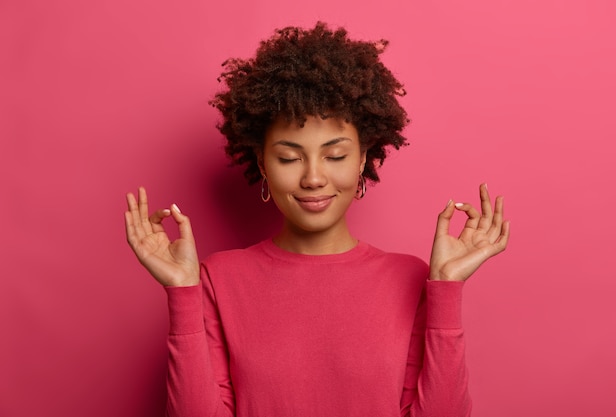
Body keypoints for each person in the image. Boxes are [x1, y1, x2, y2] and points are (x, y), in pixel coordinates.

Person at [124, 22, 509, 417]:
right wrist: (183, 293)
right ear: (262, 163)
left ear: (362, 159)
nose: (312, 177)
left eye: (336, 155)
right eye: (289, 157)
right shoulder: (218, 279)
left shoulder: (411, 279)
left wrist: (446, 288)